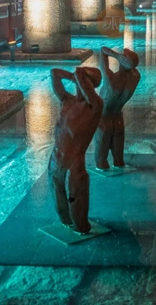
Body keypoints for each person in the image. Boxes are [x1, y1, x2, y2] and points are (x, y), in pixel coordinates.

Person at [48, 66, 104, 234]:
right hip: (55, 158)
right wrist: (74, 76)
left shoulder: (94, 107)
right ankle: (66, 223)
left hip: (74, 162)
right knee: (59, 202)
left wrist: (79, 75)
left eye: (84, 79)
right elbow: (54, 73)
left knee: (77, 204)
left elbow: (87, 90)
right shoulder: (67, 100)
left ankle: (81, 226)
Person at [94, 47, 141, 170]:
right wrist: (125, 58)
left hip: (103, 116)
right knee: (118, 152)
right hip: (117, 115)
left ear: (122, 61)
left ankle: (102, 164)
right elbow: (132, 63)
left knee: (101, 150)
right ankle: (118, 162)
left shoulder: (110, 79)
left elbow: (103, 51)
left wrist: (116, 55)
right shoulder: (136, 76)